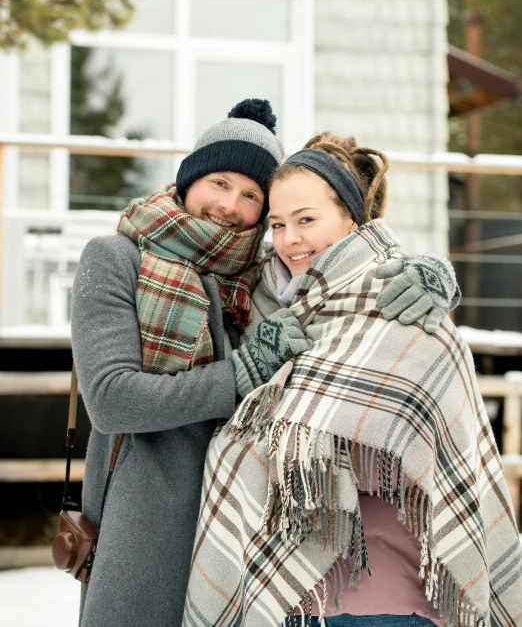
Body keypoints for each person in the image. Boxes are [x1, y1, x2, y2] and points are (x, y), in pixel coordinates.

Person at [72, 101, 458, 627]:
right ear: (188, 181)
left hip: (245, 528)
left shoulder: (261, 273)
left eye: (252, 195)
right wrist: (242, 372)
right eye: (219, 182)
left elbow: (343, 263)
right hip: (148, 525)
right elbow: (111, 399)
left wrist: (429, 270)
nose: (230, 205)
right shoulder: (117, 259)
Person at [183, 133, 522, 627]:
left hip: (389, 594)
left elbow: (439, 439)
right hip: (282, 600)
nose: (290, 239)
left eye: (306, 220)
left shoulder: (402, 303)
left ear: (352, 219)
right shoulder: (259, 305)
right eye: (277, 224)